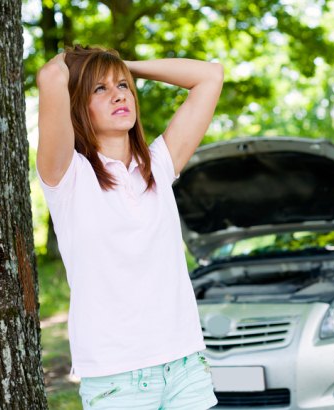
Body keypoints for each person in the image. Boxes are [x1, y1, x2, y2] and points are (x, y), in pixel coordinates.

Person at [36, 45, 224, 409]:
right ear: (78, 106)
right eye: (100, 89)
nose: (119, 94)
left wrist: (126, 66)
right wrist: (76, 60)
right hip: (117, 377)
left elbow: (209, 75)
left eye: (123, 85)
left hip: (185, 365)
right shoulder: (68, 177)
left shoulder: (159, 165)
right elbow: (50, 78)